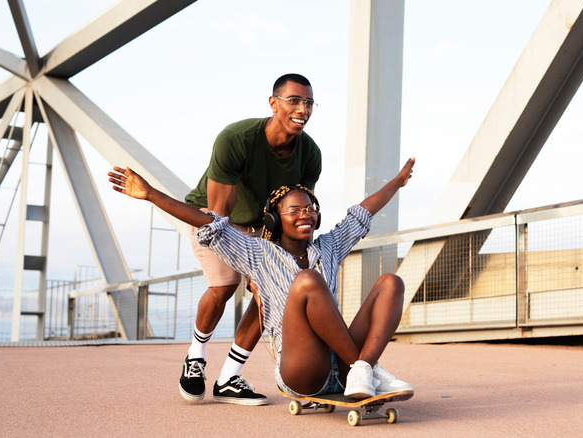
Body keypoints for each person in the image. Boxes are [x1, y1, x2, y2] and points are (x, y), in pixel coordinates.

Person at [107, 157, 416, 399]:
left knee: (391, 282)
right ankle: (368, 371)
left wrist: (398, 183)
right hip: (303, 370)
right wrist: (150, 194)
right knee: (308, 282)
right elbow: (209, 222)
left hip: (343, 364)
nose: (305, 215)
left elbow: (362, 213)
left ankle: (362, 369)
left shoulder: (329, 247)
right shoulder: (257, 253)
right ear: (273, 218)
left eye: (310, 209)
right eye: (295, 210)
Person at [180, 73, 322, 405]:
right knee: (224, 286)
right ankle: (196, 356)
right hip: (212, 217)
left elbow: (299, 210)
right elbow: (219, 216)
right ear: (273, 103)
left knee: (268, 294)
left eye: (309, 103)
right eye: (294, 100)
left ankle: (229, 376)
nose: (303, 108)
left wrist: (269, 275)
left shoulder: (310, 154)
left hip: (263, 225)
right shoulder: (236, 139)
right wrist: (248, 267)